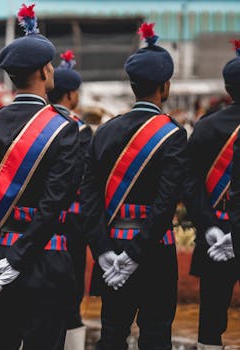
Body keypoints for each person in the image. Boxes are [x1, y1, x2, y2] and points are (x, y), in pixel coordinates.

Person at [0, 4, 80, 349]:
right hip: (46, 259)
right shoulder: (64, 129)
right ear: (46, 71)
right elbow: (52, 204)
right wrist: (17, 260)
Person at [80, 23, 186, 350]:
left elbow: (89, 197)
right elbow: (166, 203)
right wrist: (135, 254)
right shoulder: (173, 134)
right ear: (165, 86)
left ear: (132, 84)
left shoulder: (106, 131)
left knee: (112, 334)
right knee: (155, 334)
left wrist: (104, 253)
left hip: (111, 246)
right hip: (154, 251)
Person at [48, 49, 92, 350]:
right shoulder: (80, 130)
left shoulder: (40, 125)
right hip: (73, 223)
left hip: (37, 219)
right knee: (72, 292)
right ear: (72, 95)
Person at [210, 39, 240, 350]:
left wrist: (208, 227)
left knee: (211, 320)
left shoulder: (206, 127)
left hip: (216, 235)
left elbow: (189, 185)